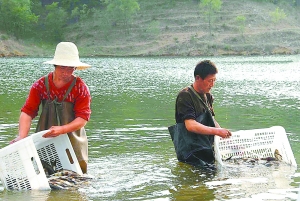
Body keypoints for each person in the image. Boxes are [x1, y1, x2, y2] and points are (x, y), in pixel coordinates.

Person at [10, 42, 91, 173]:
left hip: (72, 138)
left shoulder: (80, 88)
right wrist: (22, 137)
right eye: (62, 68)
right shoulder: (40, 85)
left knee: (77, 174)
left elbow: (83, 118)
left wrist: (62, 129)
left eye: (70, 69)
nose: (66, 73)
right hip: (46, 135)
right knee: (43, 171)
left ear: (75, 68)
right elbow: (27, 112)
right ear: (55, 66)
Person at [169, 60, 231, 167]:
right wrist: (216, 131)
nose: (212, 85)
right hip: (190, 153)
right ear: (198, 78)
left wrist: (223, 134)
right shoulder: (185, 96)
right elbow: (190, 125)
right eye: (209, 81)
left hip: (204, 147)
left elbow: (211, 119)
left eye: (214, 81)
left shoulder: (208, 96)